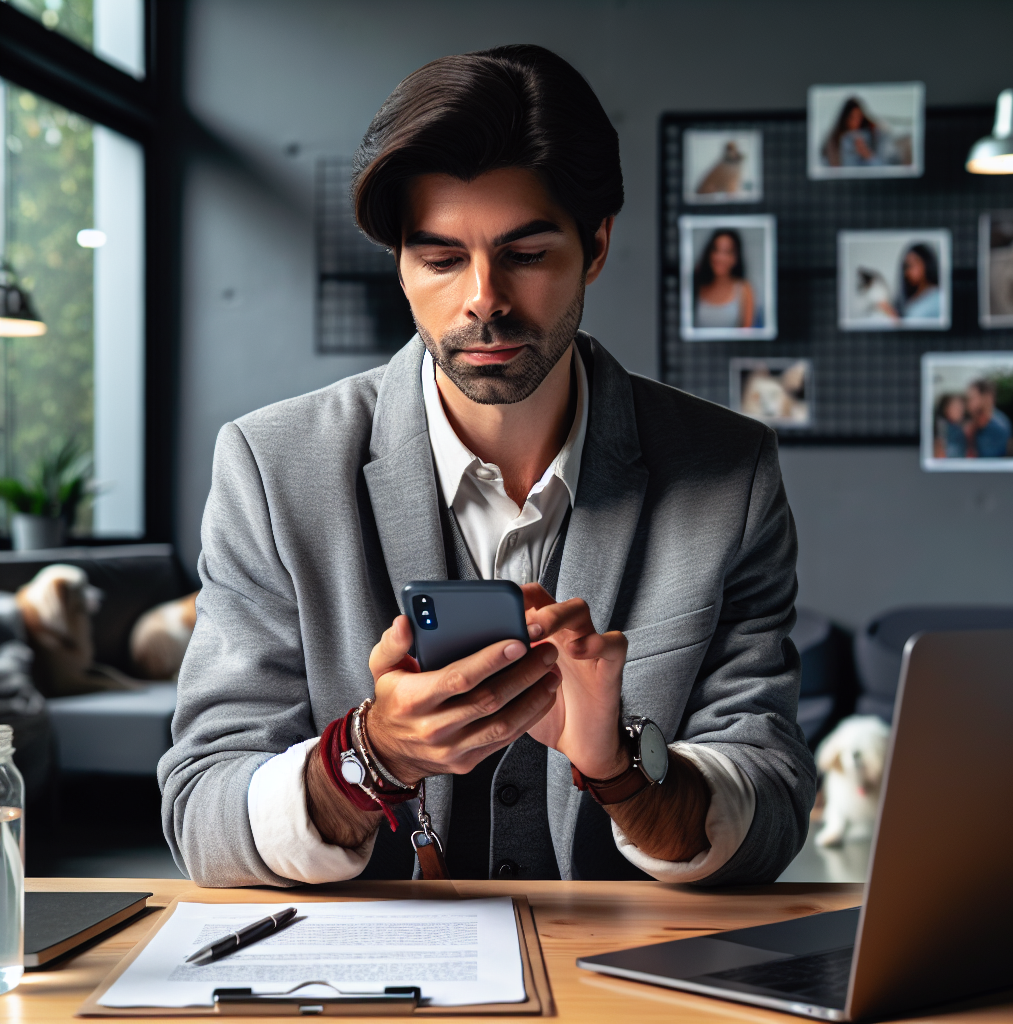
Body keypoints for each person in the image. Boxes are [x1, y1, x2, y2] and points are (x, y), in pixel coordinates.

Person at [159, 44, 814, 888]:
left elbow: (771, 807)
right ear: (400, 263)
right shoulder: (271, 466)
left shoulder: (731, 472)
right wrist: (371, 756)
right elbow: (202, 813)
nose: (483, 300)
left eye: (528, 254)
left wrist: (618, 769)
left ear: (598, 244)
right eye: (439, 260)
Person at [693, 229, 755, 329]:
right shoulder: (695, 285)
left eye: (727, 252)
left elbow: (747, 332)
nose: (720, 257)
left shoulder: (744, 289)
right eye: (716, 250)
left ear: (735, 258)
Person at [823, 98, 882, 168]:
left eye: (859, 117)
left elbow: (882, 168)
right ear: (845, 118)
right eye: (852, 117)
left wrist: (866, 153)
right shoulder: (834, 140)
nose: (856, 121)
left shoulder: (871, 134)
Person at [964, 378, 1012, 457]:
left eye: (971, 399)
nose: (967, 404)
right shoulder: (975, 422)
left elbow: (986, 463)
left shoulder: (997, 427)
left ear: (986, 398)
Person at [934, 393, 968, 459]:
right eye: (955, 407)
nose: (960, 410)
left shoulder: (966, 427)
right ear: (946, 409)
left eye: (961, 406)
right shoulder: (942, 427)